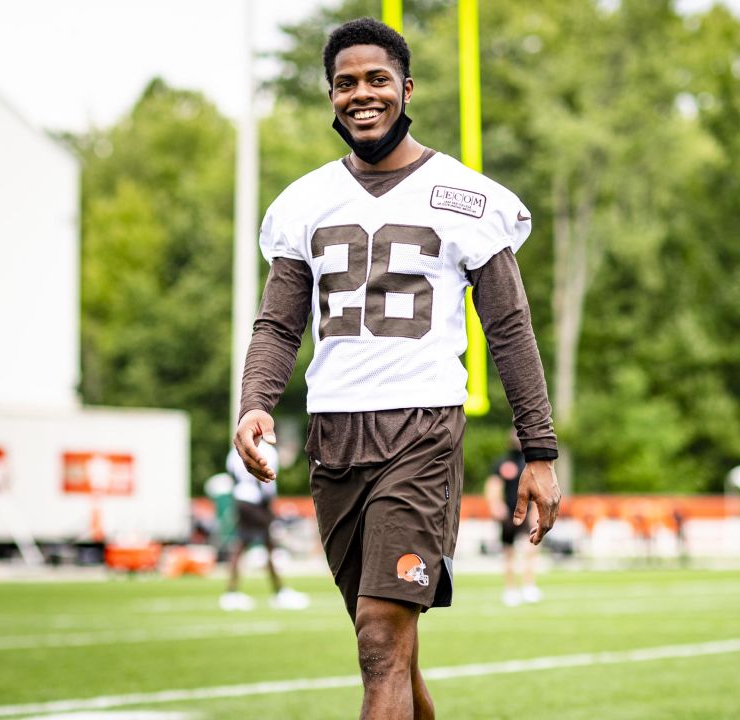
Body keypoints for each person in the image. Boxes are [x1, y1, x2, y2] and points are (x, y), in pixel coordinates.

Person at [232, 18, 561, 719]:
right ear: (330, 97)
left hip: (421, 431)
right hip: (334, 436)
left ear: (406, 88)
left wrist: (539, 450)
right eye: (345, 83)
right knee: (388, 647)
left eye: (377, 79)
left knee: (380, 639)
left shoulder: (468, 196)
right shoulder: (304, 201)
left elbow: (509, 328)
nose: (362, 94)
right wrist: (255, 400)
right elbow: (278, 321)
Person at [219, 442, 310, 611]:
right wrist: (268, 507)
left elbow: (232, 475)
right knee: (267, 543)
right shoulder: (268, 450)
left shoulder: (236, 448)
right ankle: (279, 592)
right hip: (256, 502)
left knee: (243, 544)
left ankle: (232, 592)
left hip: (240, 499)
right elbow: (267, 479)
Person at [484, 434, 542, 607]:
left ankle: (528, 586)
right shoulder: (502, 463)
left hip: (527, 512)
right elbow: (493, 485)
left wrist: (536, 512)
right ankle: (510, 590)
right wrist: (496, 505)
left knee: (530, 549)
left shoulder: (531, 464)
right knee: (508, 552)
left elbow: (538, 488)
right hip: (508, 514)